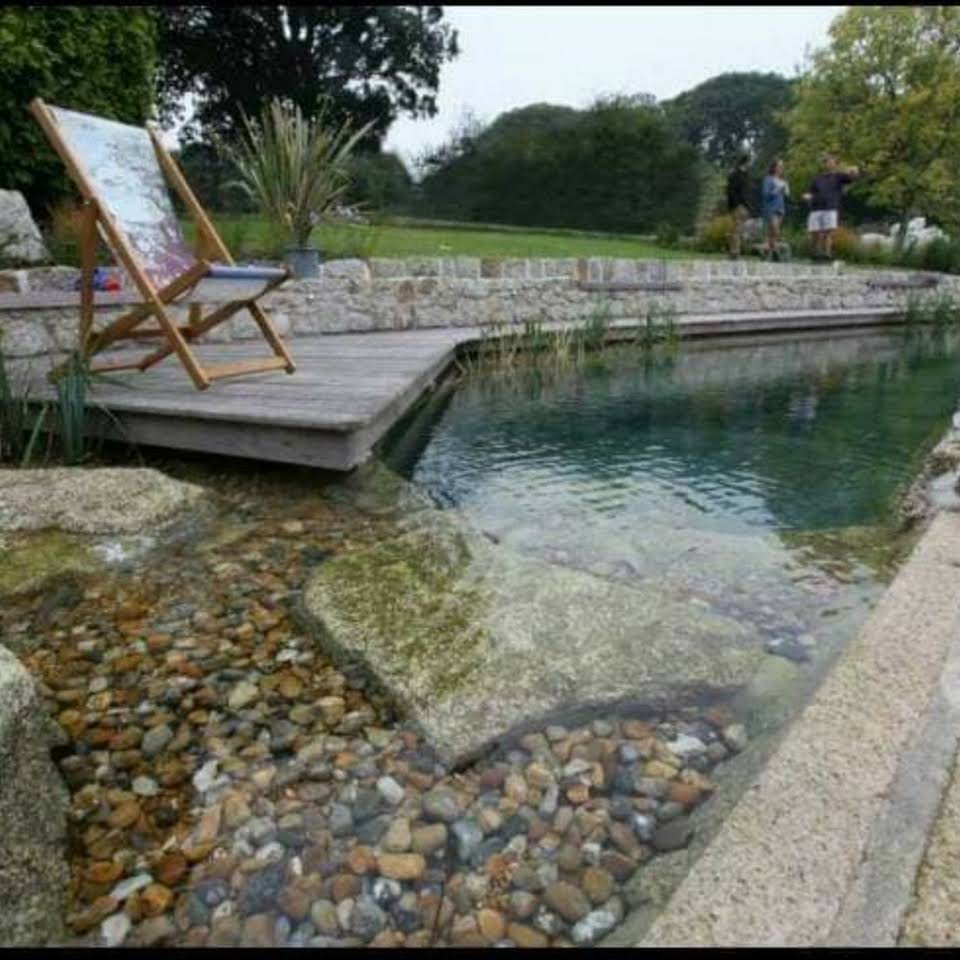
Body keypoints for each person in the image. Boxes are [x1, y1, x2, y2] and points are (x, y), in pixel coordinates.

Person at [802, 153, 860, 260]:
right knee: (815, 232)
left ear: (835, 164)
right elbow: (811, 192)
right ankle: (815, 253)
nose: (829, 163)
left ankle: (827, 254)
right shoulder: (817, 178)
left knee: (827, 232)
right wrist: (807, 196)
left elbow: (852, 178)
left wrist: (854, 171)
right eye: (827, 162)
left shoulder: (839, 176)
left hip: (830, 207)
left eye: (832, 161)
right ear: (824, 164)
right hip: (816, 207)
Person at [725, 154, 754, 259]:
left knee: (739, 229)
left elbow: (747, 192)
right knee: (737, 227)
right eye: (750, 161)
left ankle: (733, 249)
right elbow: (730, 190)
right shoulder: (734, 174)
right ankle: (735, 252)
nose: (752, 164)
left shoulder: (747, 175)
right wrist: (737, 204)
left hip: (745, 205)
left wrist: (749, 205)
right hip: (736, 205)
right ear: (746, 162)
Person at [761, 158, 790, 261]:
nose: (781, 168)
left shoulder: (783, 180)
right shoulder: (768, 179)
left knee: (772, 234)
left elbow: (786, 195)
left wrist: (785, 188)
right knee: (775, 230)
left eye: (782, 166)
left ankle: (770, 254)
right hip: (770, 208)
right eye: (779, 166)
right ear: (774, 167)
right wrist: (777, 189)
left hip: (780, 208)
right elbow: (765, 194)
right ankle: (774, 252)